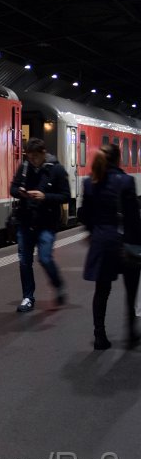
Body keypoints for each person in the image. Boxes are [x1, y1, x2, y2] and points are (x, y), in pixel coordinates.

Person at [79, 143, 141, 349]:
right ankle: (131, 332)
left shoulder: (89, 183)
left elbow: (85, 215)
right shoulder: (126, 181)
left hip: (102, 241)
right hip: (124, 242)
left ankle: (99, 336)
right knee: (130, 289)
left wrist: (92, 233)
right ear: (118, 160)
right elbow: (133, 217)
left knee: (102, 290)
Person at [10, 137, 69, 312]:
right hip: (26, 221)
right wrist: (19, 192)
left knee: (44, 258)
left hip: (46, 223)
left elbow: (66, 195)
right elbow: (12, 188)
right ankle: (28, 297)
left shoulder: (56, 170)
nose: (32, 160)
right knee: (24, 262)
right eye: (29, 156)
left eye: (35, 156)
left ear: (43, 153)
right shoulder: (24, 168)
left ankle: (58, 284)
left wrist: (45, 197)